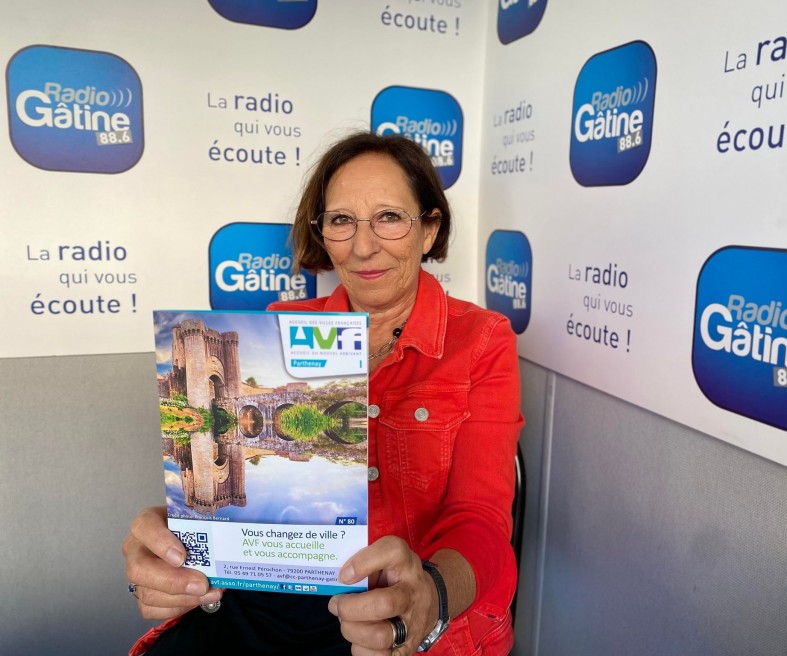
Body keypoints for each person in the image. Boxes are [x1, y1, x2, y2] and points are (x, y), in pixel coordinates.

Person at [123, 131, 523, 655]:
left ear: (429, 229)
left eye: (389, 217)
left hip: (389, 619)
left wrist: (429, 594)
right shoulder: (279, 324)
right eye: (341, 220)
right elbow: (244, 502)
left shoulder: (481, 341)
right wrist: (185, 532)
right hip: (271, 605)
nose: (362, 246)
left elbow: (481, 520)